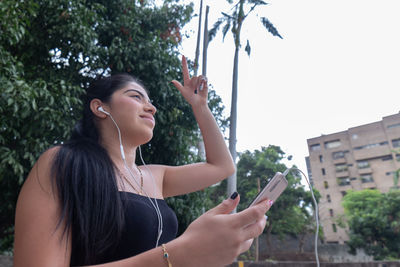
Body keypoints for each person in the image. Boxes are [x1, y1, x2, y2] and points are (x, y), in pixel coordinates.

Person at [13, 56, 271, 267]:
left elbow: (222, 167)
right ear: (100, 108)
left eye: (150, 102)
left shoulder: (154, 176)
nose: (151, 108)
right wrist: (180, 253)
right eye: (136, 97)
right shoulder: (64, 162)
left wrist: (200, 107)